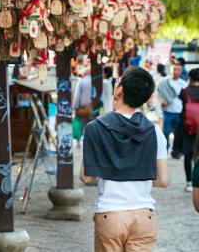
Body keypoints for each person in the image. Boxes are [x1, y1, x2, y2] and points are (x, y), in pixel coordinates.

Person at [81, 67, 170, 252]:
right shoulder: (156, 133)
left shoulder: (94, 128)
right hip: (144, 215)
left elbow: (87, 177)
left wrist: (114, 169)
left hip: (110, 213)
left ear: (119, 90)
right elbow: (163, 180)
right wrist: (135, 171)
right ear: (146, 98)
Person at [160, 62, 188, 157]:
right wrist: (161, 100)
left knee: (178, 134)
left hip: (180, 113)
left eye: (178, 70)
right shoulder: (164, 82)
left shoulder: (183, 84)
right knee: (166, 133)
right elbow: (157, 93)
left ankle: (175, 152)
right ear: (171, 70)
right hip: (167, 112)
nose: (176, 71)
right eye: (174, 69)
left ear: (181, 71)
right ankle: (165, 151)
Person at [179, 69, 199, 192]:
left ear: (190, 78)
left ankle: (189, 182)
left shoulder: (184, 91)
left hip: (188, 127)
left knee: (188, 154)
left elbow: (182, 111)